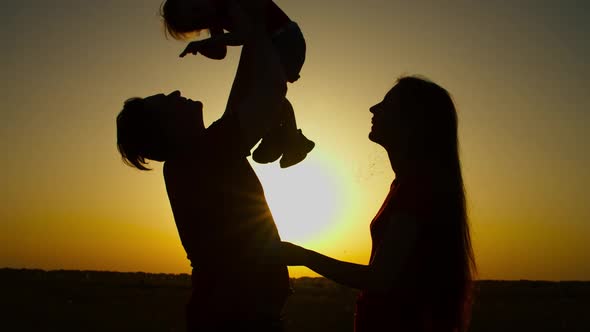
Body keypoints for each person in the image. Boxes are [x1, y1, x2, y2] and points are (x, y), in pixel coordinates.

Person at [116, 2, 291, 330]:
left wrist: (253, 34)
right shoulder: (203, 156)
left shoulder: (197, 156)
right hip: (235, 320)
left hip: (224, 315)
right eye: (166, 101)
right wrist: (256, 33)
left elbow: (243, 95)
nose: (177, 92)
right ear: (165, 128)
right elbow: (269, 90)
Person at [276, 76, 477, 332]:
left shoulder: (418, 188)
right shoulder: (406, 185)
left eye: (386, 104)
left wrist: (301, 255)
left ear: (411, 121)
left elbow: (380, 278)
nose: (374, 109)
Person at [159, 0, 315, 168]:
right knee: (254, 91)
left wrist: (205, 43)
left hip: (284, 38)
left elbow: (244, 34)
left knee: (257, 89)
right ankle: (282, 135)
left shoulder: (229, 3)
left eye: (196, 10)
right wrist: (200, 47)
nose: (202, 18)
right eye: (198, 23)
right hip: (270, 42)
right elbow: (220, 52)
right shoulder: (213, 16)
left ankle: (286, 137)